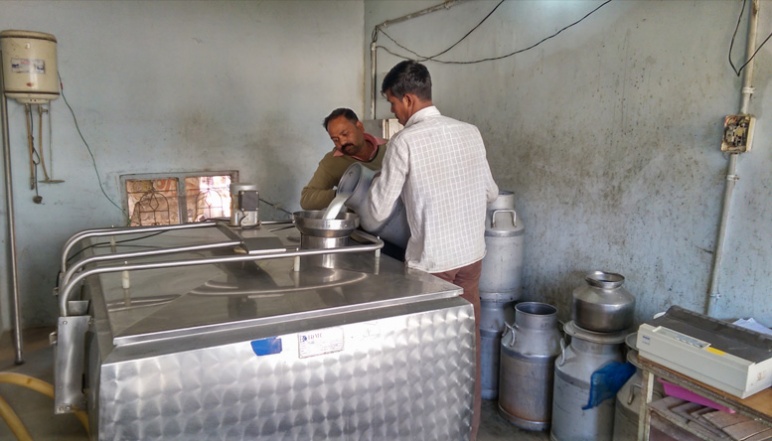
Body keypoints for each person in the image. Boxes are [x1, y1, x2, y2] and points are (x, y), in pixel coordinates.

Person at [365, 60, 498, 441]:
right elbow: (490, 193)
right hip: (471, 260)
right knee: (465, 351)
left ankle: (425, 431)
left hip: (431, 271)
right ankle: (466, 432)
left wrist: (366, 196)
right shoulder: (470, 132)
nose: (393, 112)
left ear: (407, 99)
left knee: (427, 360)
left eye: (392, 104)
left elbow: (375, 215)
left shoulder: (405, 142)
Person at [300, 108, 387, 210]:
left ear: (359, 126)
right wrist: (343, 193)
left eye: (345, 134)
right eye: (335, 140)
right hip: (359, 223)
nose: (342, 142)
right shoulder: (333, 162)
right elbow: (306, 200)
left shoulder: (392, 147)